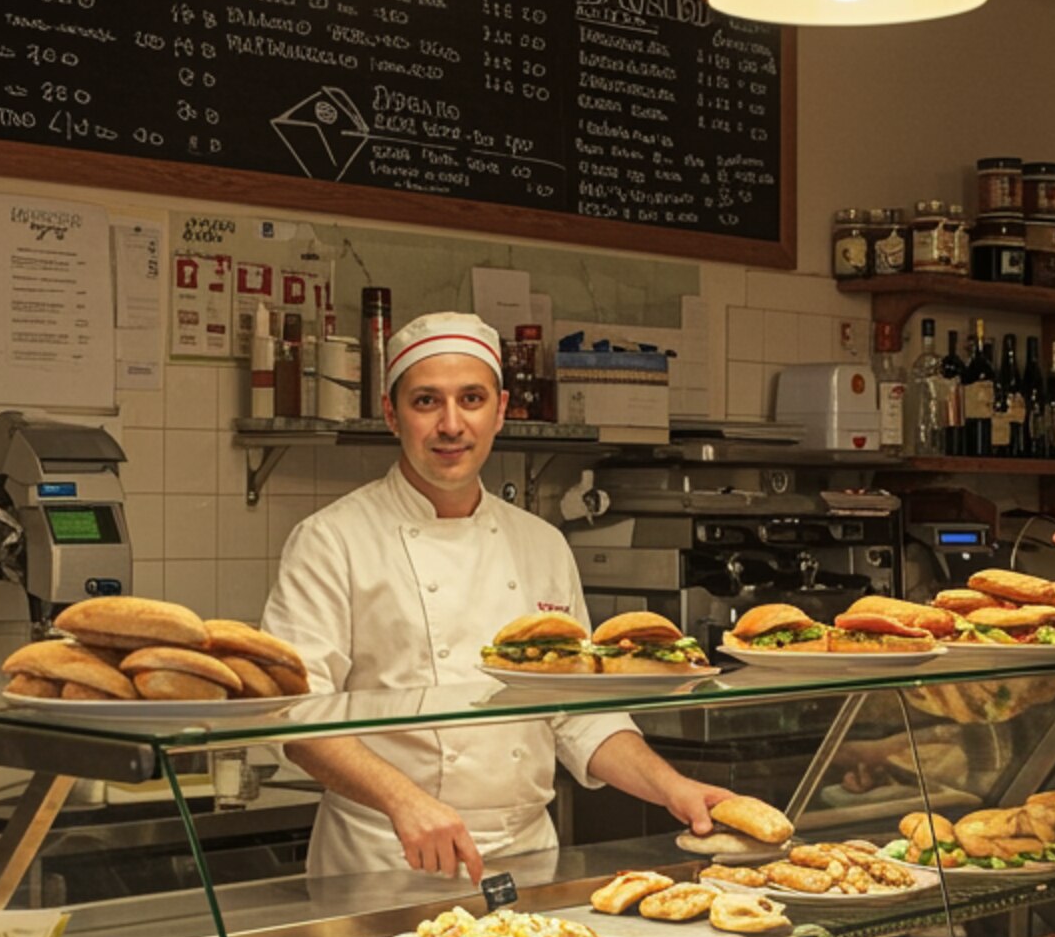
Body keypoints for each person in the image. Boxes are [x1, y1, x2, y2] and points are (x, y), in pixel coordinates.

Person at [261, 309, 730, 883]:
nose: (451, 424)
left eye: (472, 399)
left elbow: (579, 713)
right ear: (391, 414)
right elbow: (294, 711)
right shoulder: (332, 540)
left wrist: (673, 788)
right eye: (426, 401)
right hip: (385, 856)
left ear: (501, 411)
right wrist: (404, 801)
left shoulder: (542, 544)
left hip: (527, 856)